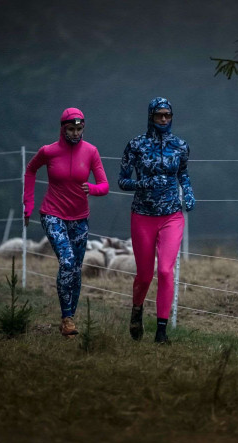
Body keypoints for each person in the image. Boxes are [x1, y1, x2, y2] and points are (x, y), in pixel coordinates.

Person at [23, 107, 109, 337]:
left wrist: (91, 188)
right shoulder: (48, 151)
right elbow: (30, 171)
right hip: (52, 214)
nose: (75, 133)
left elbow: (105, 185)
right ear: (62, 128)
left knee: (76, 270)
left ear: (84, 128)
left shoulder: (91, 151)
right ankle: (66, 317)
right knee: (68, 262)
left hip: (80, 219)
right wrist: (28, 204)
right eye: (70, 129)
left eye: (79, 129)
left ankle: (70, 316)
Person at [118, 97, 195, 344]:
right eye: (159, 115)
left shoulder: (180, 146)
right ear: (151, 116)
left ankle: (161, 332)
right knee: (144, 275)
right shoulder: (135, 145)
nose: (164, 119)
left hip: (172, 215)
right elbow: (122, 180)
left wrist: (190, 193)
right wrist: (144, 183)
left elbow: (183, 174)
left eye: (168, 115)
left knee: (164, 270)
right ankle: (137, 310)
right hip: (143, 215)